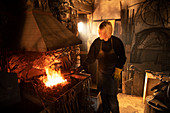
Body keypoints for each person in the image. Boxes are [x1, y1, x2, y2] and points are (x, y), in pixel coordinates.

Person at [77, 21, 126, 113]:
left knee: (112, 98)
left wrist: (118, 69)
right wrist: (80, 67)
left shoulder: (116, 42)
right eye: (98, 31)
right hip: (101, 74)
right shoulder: (97, 43)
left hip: (113, 75)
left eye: (101, 32)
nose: (98, 34)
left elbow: (122, 58)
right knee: (103, 96)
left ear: (107, 32)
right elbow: (90, 58)